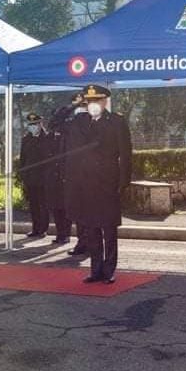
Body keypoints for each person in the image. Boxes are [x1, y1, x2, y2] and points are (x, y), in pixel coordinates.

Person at [65, 85, 132, 284]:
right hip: (86, 185)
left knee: (109, 230)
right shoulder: (80, 121)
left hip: (108, 184)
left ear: (105, 102)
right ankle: (95, 270)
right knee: (92, 229)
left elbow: (126, 155)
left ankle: (109, 269)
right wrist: (73, 105)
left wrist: (123, 182)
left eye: (97, 101)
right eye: (89, 101)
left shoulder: (117, 122)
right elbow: (56, 124)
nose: (93, 105)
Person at [46, 93, 89, 253]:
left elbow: (55, 121)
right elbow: (53, 123)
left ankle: (89, 244)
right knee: (80, 211)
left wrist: (73, 106)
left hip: (91, 175)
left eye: (85, 105)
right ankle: (84, 243)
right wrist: (74, 106)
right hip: (74, 175)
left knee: (88, 212)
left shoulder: (96, 122)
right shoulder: (72, 125)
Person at [19, 112, 49, 238]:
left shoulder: (47, 138)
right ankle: (35, 228)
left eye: (35, 124)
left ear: (40, 124)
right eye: (30, 124)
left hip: (43, 178)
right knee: (33, 205)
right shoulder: (26, 139)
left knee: (43, 205)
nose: (33, 127)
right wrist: (23, 175)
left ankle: (43, 229)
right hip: (30, 178)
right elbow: (23, 159)